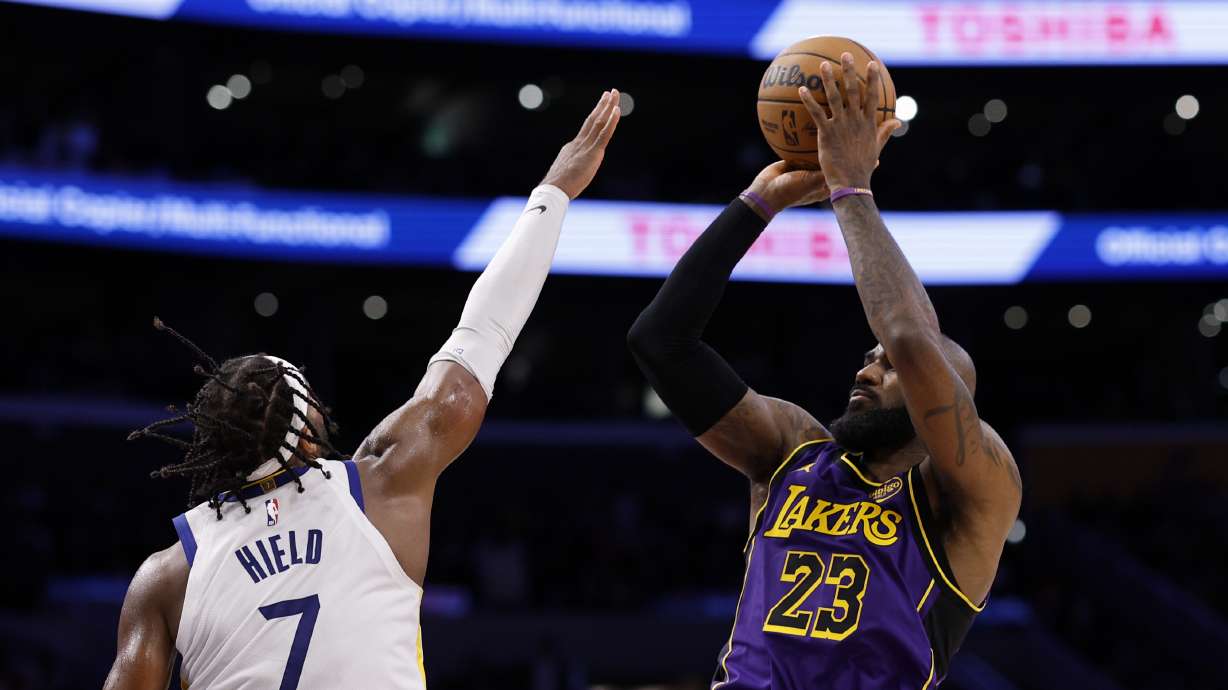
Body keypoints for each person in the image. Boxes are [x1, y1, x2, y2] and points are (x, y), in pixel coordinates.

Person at [103, 90, 622, 690]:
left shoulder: (169, 576)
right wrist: (553, 193)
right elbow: (481, 334)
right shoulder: (380, 482)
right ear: (308, 427)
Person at [627, 55, 1021, 688]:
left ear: (950, 397)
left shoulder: (971, 490)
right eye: (867, 359)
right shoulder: (793, 452)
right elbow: (661, 341)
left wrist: (851, 188)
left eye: (889, 369)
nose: (869, 369)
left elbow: (911, 339)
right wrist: (755, 204)